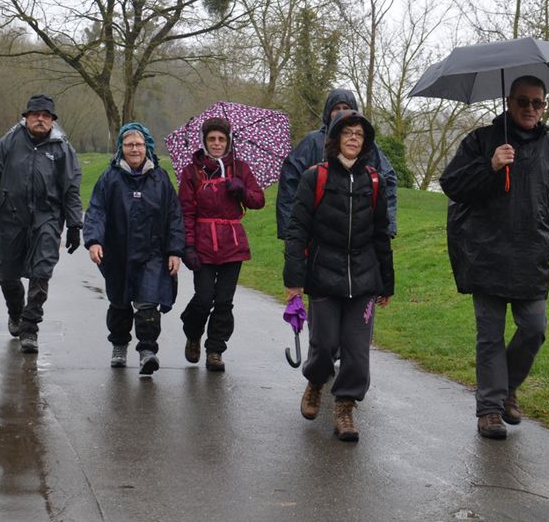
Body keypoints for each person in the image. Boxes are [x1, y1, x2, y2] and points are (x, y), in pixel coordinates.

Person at [439, 75, 549, 440]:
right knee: (489, 336)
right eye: (523, 102)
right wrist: (490, 166)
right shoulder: (482, 141)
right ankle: (489, 410)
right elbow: (452, 184)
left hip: (530, 257)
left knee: (534, 328)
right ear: (509, 101)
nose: (531, 109)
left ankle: (506, 388)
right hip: (485, 253)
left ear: (544, 106)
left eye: (538, 103)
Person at [283, 110, 394, 442]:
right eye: (348, 133)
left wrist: (386, 283)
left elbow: (381, 235)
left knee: (358, 352)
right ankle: (316, 382)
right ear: (335, 139)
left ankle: (345, 406)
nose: (354, 138)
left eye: (359, 134)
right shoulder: (314, 177)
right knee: (324, 345)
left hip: (363, 280)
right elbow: (297, 231)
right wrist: (294, 281)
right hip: (323, 277)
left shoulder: (374, 180)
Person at [0, 94, 83, 354]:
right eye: (35, 115)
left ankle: (30, 328)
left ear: (52, 121)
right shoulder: (9, 142)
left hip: (47, 217)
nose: (40, 119)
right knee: (8, 275)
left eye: (46, 116)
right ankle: (16, 313)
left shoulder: (62, 148)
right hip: (11, 217)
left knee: (41, 271)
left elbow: (71, 187)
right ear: (26, 117)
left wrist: (74, 224)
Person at [83, 122, 184, 375]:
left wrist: (175, 250)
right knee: (119, 303)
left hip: (153, 254)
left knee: (148, 303)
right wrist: (94, 240)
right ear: (121, 148)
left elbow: (174, 216)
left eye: (139, 144)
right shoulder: (110, 178)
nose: (134, 149)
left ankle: (147, 351)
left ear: (147, 146)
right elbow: (96, 211)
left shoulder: (160, 179)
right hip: (117, 254)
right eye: (129, 144)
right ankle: (119, 346)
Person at [177, 117, 266, 372]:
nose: (216, 143)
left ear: (228, 142)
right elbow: (186, 212)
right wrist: (188, 247)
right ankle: (193, 333)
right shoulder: (191, 172)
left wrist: (242, 192)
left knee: (224, 301)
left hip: (232, 244)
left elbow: (258, 200)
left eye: (221, 139)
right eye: (212, 139)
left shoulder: (240, 168)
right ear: (204, 141)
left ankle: (215, 349)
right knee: (204, 299)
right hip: (203, 245)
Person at [277, 88, 399, 240]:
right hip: (316, 230)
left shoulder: (364, 144)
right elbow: (289, 181)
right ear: (328, 111)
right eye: (336, 108)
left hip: (356, 230)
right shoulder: (312, 142)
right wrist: (290, 230)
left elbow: (387, 179)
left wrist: (387, 225)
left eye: (346, 108)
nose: (340, 112)